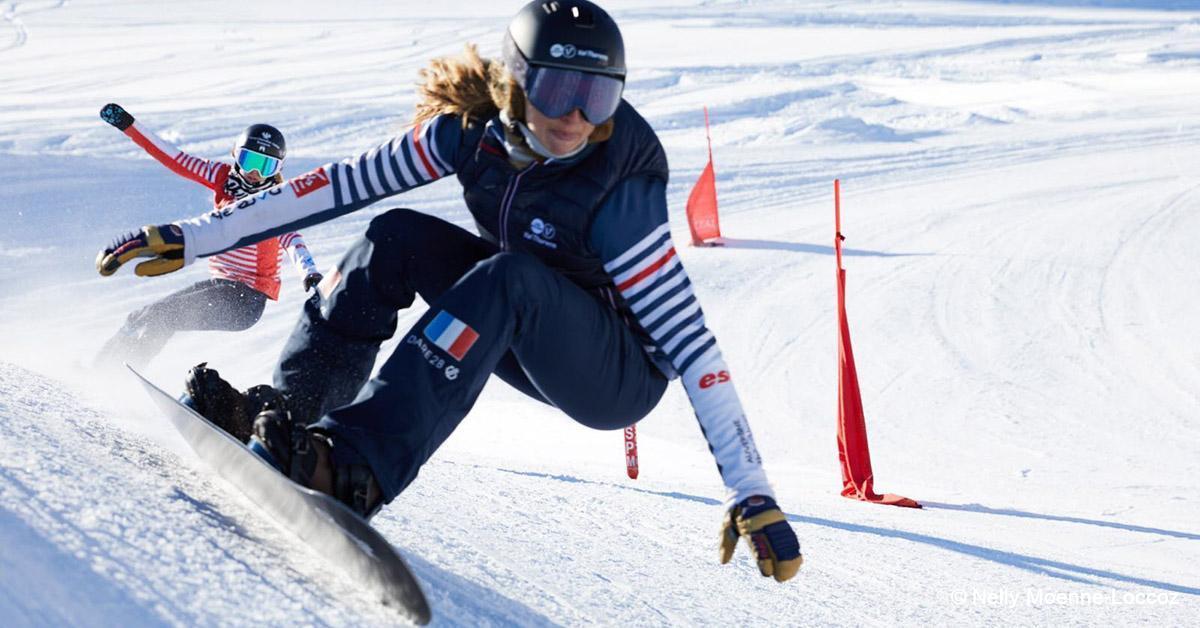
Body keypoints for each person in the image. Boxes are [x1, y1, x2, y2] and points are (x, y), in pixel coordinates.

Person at [96, 1, 802, 582]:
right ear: (514, 82)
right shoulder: (469, 131)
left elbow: (688, 342)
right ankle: (288, 419)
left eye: (598, 96)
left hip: (613, 375)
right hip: (517, 316)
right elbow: (335, 186)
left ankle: (354, 469)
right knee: (394, 235)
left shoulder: (617, 182)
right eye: (559, 90)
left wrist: (751, 488)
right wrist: (197, 236)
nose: (576, 119)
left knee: (509, 278)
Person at [95, 104, 323, 369]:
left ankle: (119, 372)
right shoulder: (223, 178)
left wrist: (309, 272)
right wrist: (129, 125)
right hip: (220, 285)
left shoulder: (276, 202)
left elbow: (293, 240)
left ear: (278, 168)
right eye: (250, 161)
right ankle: (101, 366)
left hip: (245, 301)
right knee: (142, 315)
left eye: (266, 166)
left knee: (162, 316)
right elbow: (175, 159)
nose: (256, 173)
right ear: (236, 155)